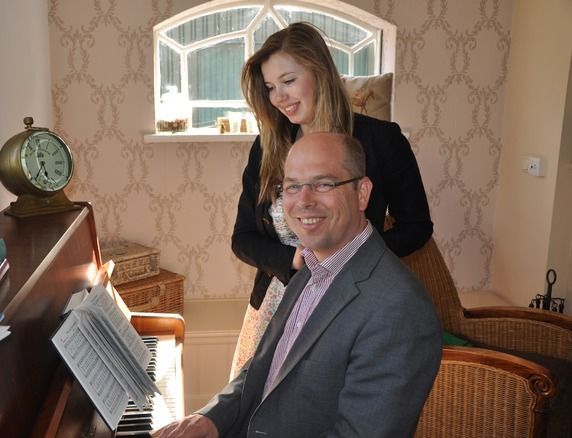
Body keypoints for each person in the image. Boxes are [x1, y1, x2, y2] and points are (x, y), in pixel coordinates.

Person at [153, 132, 442, 438]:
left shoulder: (399, 309)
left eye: (323, 184)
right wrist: (209, 419)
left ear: (362, 193)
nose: (303, 201)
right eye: (292, 186)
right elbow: (264, 367)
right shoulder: (310, 267)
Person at [230, 22, 433, 378]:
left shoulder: (383, 140)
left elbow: (417, 227)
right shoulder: (266, 147)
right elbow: (243, 239)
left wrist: (351, 262)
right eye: (270, 87)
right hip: (275, 308)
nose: (279, 97)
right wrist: (294, 259)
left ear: (320, 72)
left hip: (354, 304)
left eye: (288, 81)